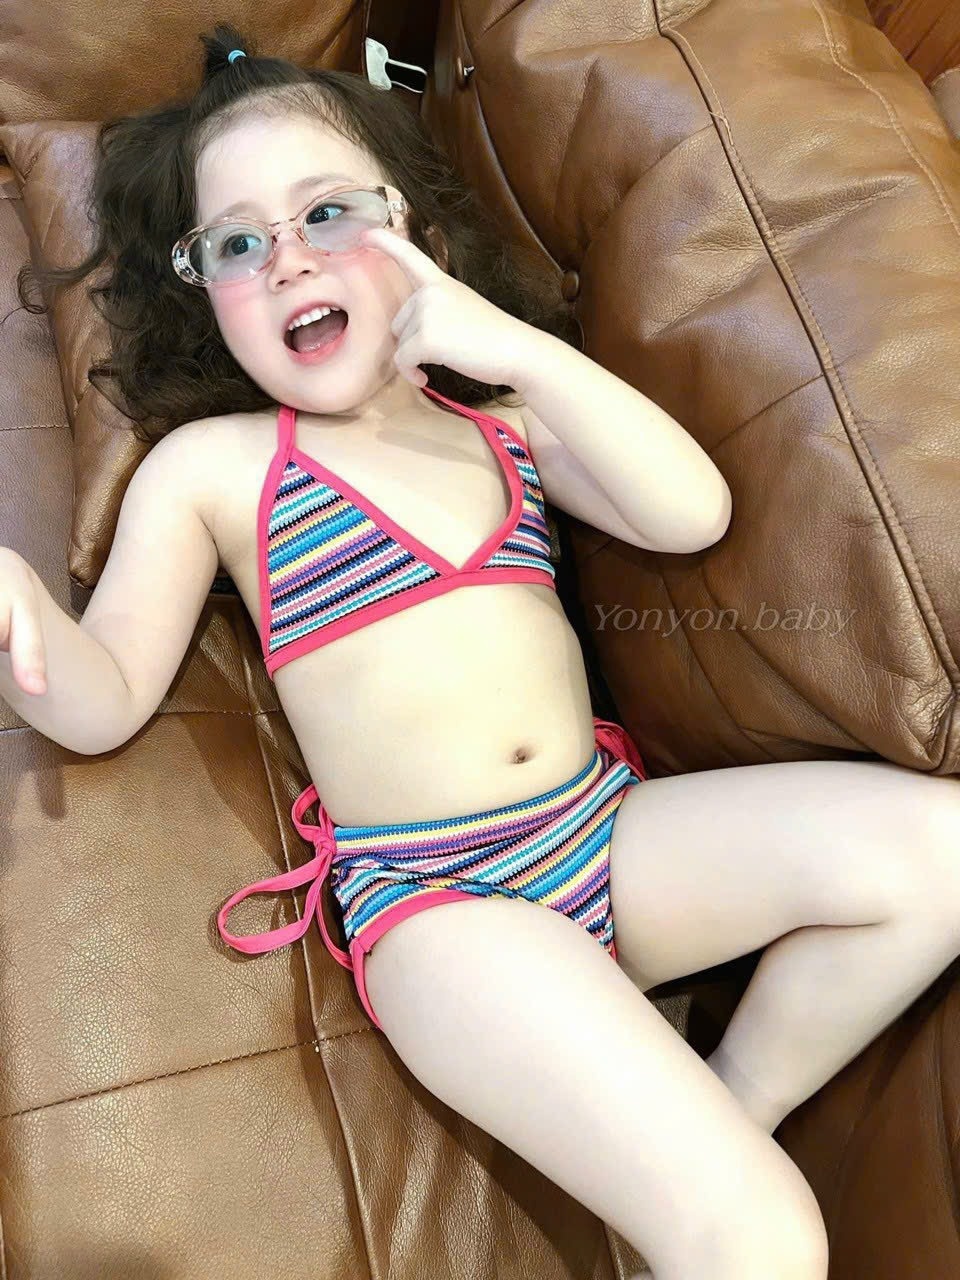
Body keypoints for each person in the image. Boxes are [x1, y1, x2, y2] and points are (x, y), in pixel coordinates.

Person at [3, 22, 959, 1280]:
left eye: (329, 212)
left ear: (417, 235)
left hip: (604, 835)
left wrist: (516, 352)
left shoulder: (501, 419)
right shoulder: (215, 468)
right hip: (444, 911)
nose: (290, 258)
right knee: (769, 1237)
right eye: (237, 243)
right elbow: (107, 695)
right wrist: (22, 611)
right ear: (205, 295)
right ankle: (720, 1185)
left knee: (944, 849)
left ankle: (735, 1104)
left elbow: (690, 512)